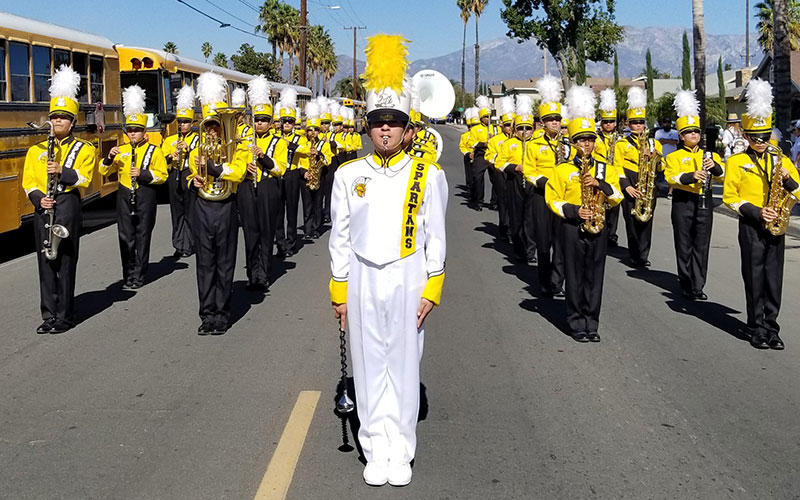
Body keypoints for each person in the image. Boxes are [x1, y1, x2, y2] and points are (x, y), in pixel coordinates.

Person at [329, 34, 447, 487]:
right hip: (361, 277)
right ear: (367, 127)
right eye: (377, 122)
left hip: (408, 276)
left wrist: (432, 286)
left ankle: (401, 448)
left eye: (393, 123)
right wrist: (339, 291)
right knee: (367, 365)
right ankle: (374, 445)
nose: (384, 130)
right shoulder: (348, 174)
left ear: (408, 129)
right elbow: (339, 237)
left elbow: (435, 234)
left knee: (402, 366)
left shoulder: (428, 175)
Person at [723, 79, 800, 350]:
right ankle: (755, 327)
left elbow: (799, 192)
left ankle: (772, 327)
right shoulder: (736, 162)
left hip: (777, 224)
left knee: (773, 278)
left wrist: (789, 180)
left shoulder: (781, 158)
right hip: (752, 225)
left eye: (766, 137)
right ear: (745, 136)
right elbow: (729, 198)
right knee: (754, 277)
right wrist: (756, 212)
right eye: (756, 138)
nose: (761, 142)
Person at [546, 85, 623, 342]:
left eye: (590, 139)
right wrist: (573, 210)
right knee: (575, 274)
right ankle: (577, 321)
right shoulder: (562, 170)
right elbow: (552, 199)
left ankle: (592, 322)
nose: (586, 144)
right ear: (573, 142)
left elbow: (617, 196)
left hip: (597, 224)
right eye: (581, 140)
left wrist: (599, 185)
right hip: (572, 225)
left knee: (595, 275)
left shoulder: (605, 168)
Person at [23, 65, 96, 334]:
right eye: (54, 118)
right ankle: (49, 315)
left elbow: (84, 177)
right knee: (44, 261)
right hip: (44, 205)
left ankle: (65, 315)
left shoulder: (84, 148)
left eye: (64, 118)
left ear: (73, 122)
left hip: (67, 203)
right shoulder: (37, 150)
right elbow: (28, 181)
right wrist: (39, 199)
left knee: (64, 259)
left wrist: (61, 171)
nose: (57, 122)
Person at [189, 72, 247, 334]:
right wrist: (195, 181)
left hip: (225, 204)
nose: (212, 130)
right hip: (203, 206)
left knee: (224, 262)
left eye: (216, 125)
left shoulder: (238, 147)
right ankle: (206, 315)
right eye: (209, 125)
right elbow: (192, 174)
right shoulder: (196, 149)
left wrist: (214, 168)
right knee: (204, 262)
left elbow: (238, 172)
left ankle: (222, 314)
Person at [100, 85, 167, 290]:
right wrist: (109, 157)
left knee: (142, 236)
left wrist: (143, 174)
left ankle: (139, 274)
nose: (132, 134)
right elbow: (103, 172)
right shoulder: (120, 150)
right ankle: (127, 274)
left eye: (137, 130)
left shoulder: (154, 151)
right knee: (125, 236)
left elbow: (162, 176)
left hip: (146, 194)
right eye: (129, 130)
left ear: (144, 132)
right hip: (124, 194)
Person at [665, 90, 724, 301]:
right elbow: (671, 177)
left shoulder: (709, 154)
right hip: (684, 200)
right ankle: (686, 282)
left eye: (696, 132)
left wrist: (714, 167)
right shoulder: (674, 156)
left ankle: (698, 285)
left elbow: (722, 175)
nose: (694, 135)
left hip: (704, 201)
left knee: (701, 243)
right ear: (681, 136)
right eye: (689, 132)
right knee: (684, 243)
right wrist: (691, 175)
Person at [522, 74, 573, 297]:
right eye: (551, 119)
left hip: (563, 198)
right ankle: (544, 281)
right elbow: (529, 171)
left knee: (561, 243)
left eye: (558, 119)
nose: (555, 122)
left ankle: (557, 282)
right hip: (541, 196)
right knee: (544, 242)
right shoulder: (534, 145)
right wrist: (546, 182)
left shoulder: (569, 145)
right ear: (542, 122)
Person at [238, 75, 287, 291]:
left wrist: (263, 158)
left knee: (266, 233)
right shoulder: (245, 139)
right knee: (250, 232)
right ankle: (252, 274)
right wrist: (245, 168)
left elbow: (280, 168)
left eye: (263, 120)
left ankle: (264, 274)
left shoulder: (279, 142)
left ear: (270, 123)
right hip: (248, 187)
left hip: (268, 187)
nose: (259, 123)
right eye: (256, 120)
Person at [614, 86, 663, 268]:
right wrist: (626, 185)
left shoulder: (653, 142)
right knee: (632, 219)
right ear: (628, 124)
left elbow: (661, 165)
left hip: (649, 182)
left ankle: (644, 254)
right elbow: (617, 167)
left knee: (647, 219)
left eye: (641, 122)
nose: (638, 126)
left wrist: (653, 158)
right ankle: (634, 253)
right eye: (634, 122)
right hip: (630, 181)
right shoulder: (621, 144)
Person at [494, 95, 536, 262]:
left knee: (531, 218)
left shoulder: (538, 144)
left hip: (533, 184)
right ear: (515, 129)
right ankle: (519, 249)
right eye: (520, 128)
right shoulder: (508, 144)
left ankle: (530, 251)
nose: (524, 132)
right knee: (517, 217)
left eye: (528, 128)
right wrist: (515, 168)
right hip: (514, 182)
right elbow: (499, 163)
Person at [161, 85, 198, 258]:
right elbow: (160, 161)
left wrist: (189, 149)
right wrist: (170, 156)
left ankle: (189, 243)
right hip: (174, 174)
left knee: (190, 211)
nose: (183, 125)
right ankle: (178, 243)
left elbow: (201, 159)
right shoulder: (169, 140)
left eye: (186, 122)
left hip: (189, 174)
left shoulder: (198, 139)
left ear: (192, 123)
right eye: (180, 122)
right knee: (176, 212)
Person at [275, 88, 310, 257]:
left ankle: (291, 243)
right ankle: (281, 244)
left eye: (290, 121)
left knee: (292, 210)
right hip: (278, 175)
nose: (287, 124)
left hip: (292, 175)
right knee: (278, 211)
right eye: (284, 121)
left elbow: (307, 150)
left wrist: (291, 146)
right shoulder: (276, 137)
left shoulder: (299, 138)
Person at [595, 88, 623, 247]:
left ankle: (612, 234)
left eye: (611, 121)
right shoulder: (596, 139)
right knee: (600, 204)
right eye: (606, 121)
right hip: (600, 174)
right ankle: (601, 230)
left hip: (616, 174)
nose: (608, 124)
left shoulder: (620, 139)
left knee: (614, 205)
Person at [303, 101, 334, 239]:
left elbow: (328, 160)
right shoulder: (303, 144)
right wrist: (304, 172)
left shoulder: (324, 144)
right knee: (307, 205)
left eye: (315, 129)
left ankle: (316, 228)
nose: (312, 132)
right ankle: (308, 229)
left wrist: (319, 155)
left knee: (317, 203)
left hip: (319, 176)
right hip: (306, 176)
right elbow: (299, 161)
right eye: (310, 130)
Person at [467, 96, 500, 210]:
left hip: (492, 154)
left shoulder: (496, 128)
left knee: (496, 179)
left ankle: (494, 202)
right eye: (485, 117)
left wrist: (494, 138)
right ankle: (479, 202)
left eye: (489, 116)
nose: (488, 119)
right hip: (480, 155)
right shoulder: (475, 129)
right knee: (478, 178)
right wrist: (483, 143)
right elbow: (471, 142)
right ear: (481, 118)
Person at [458, 107, 478, 194]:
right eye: (471, 126)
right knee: (469, 174)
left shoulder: (480, 133)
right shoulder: (465, 135)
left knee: (477, 176)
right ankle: (470, 189)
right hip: (468, 156)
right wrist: (468, 153)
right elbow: (462, 146)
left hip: (478, 156)